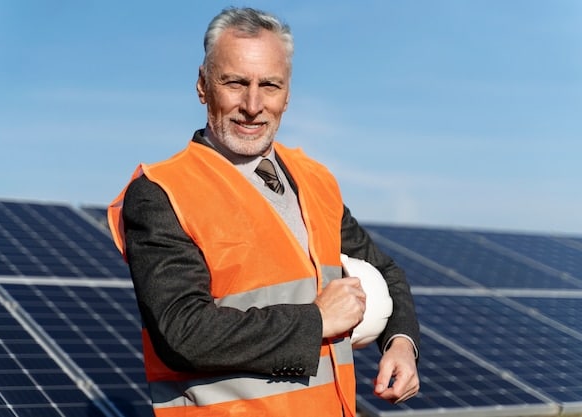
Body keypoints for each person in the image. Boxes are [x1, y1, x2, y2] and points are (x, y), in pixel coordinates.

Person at [108, 7, 419, 417]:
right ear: (203, 86)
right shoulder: (162, 192)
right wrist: (316, 321)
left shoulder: (315, 180)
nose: (253, 105)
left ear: (287, 96)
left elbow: (384, 270)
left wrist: (401, 343)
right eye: (235, 82)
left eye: (269, 85)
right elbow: (182, 332)